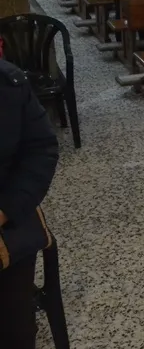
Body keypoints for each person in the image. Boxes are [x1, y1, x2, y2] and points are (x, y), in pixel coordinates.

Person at [0, 58, 59, 349]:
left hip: (7, 226)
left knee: (15, 332)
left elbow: (40, 149)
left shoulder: (7, 83)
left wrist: (5, 210)